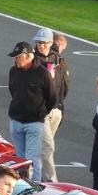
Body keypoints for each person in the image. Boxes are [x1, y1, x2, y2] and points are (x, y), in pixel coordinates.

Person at [7, 39, 54, 180]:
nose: (15, 60)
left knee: (32, 159)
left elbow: (52, 98)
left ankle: (36, 190)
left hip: (34, 123)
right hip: (16, 121)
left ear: (28, 56)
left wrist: (41, 113)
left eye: (17, 57)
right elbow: (12, 91)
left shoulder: (43, 73)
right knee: (20, 161)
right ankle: (22, 188)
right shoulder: (13, 71)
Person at [32, 27, 69, 183]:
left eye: (44, 42)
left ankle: (33, 177)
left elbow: (65, 84)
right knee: (48, 147)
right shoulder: (32, 61)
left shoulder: (59, 59)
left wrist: (59, 105)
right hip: (41, 111)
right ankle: (51, 182)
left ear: (50, 43)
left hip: (56, 110)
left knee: (42, 147)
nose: (41, 46)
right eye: (39, 42)